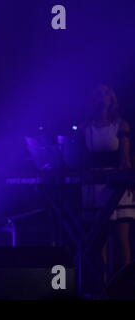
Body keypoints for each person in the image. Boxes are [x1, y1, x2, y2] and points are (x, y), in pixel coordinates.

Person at [82, 83, 135, 275]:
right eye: (98, 93)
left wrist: (128, 180)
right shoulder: (86, 128)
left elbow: (126, 159)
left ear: (112, 98)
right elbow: (82, 159)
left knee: (122, 239)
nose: (102, 96)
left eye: (105, 92)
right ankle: (101, 286)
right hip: (94, 186)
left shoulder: (121, 125)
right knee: (98, 241)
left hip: (116, 185)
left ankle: (125, 287)